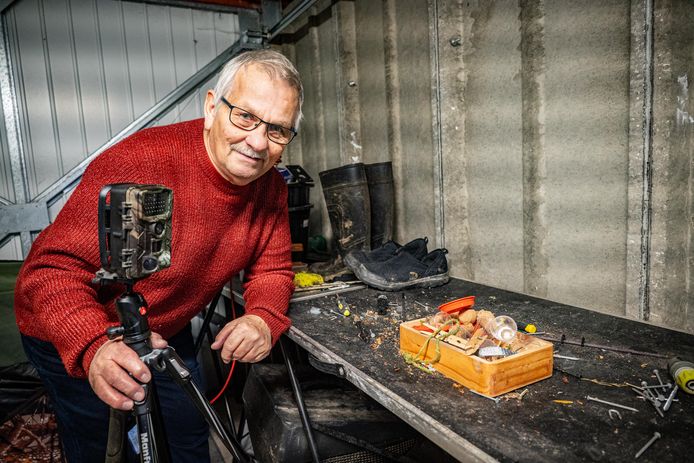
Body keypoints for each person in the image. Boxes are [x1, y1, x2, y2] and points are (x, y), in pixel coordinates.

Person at [14, 48, 303, 462]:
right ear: (211, 107)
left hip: (161, 323)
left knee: (186, 432)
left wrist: (264, 317)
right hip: (77, 326)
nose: (258, 142)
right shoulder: (142, 161)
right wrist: (94, 346)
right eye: (245, 117)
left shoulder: (270, 185)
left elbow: (273, 266)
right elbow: (50, 271)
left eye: (278, 130)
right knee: (100, 444)